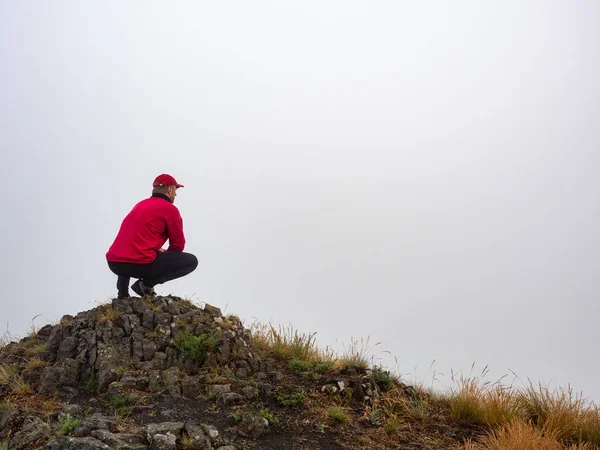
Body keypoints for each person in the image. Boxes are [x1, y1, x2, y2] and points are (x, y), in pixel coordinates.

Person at [106, 174, 198, 298]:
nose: (176, 194)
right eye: (175, 190)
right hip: (139, 264)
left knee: (128, 250)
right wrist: (165, 255)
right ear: (170, 190)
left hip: (114, 264)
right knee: (192, 261)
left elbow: (129, 241)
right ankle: (146, 284)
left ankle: (122, 294)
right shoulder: (170, 210)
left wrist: (155, 250)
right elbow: (178, 246)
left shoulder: (140, 205)